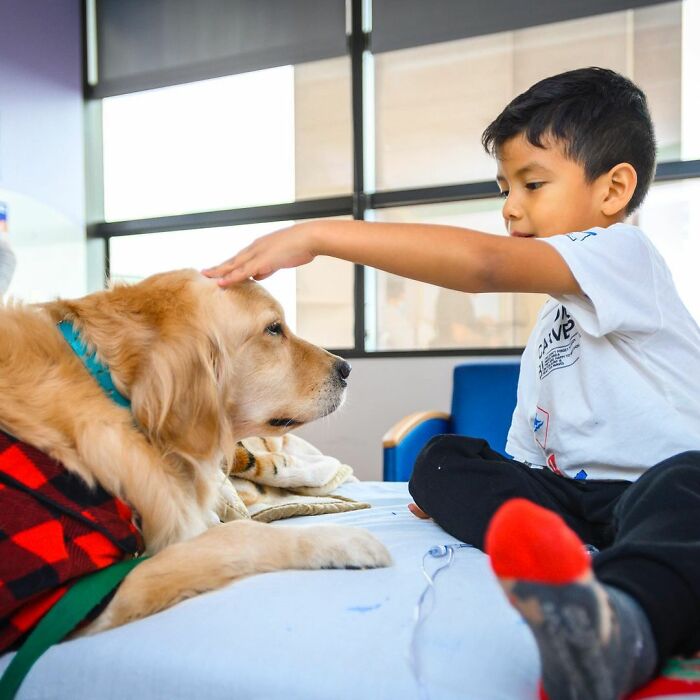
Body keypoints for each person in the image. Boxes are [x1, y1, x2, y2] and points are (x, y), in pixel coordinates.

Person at [204, 67, 700, 700]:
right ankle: (546, 553)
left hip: (655, 488)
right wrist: (481, 487)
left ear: (615, 189)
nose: (510, 207)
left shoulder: (626, 255)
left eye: (533, 183)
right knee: (443, 459)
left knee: (689, 484)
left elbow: (484, 265)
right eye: (505, 187)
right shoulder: (551, 323)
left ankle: (619, 631)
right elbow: (527, 450)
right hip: (576, 508)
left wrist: (318, 235)